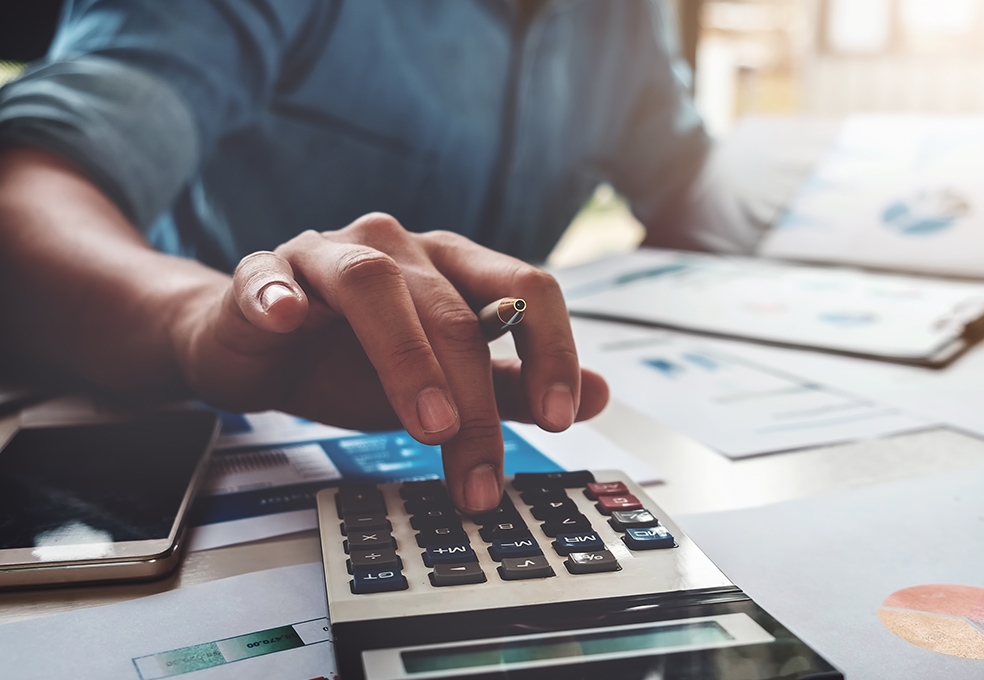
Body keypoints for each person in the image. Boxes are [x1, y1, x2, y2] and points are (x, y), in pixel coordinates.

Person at [0, 1, 754, 513]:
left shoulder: (618, 17)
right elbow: (25, 186)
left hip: (470, 442)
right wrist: (192, 319)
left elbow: (686, 183)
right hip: (187, 442)